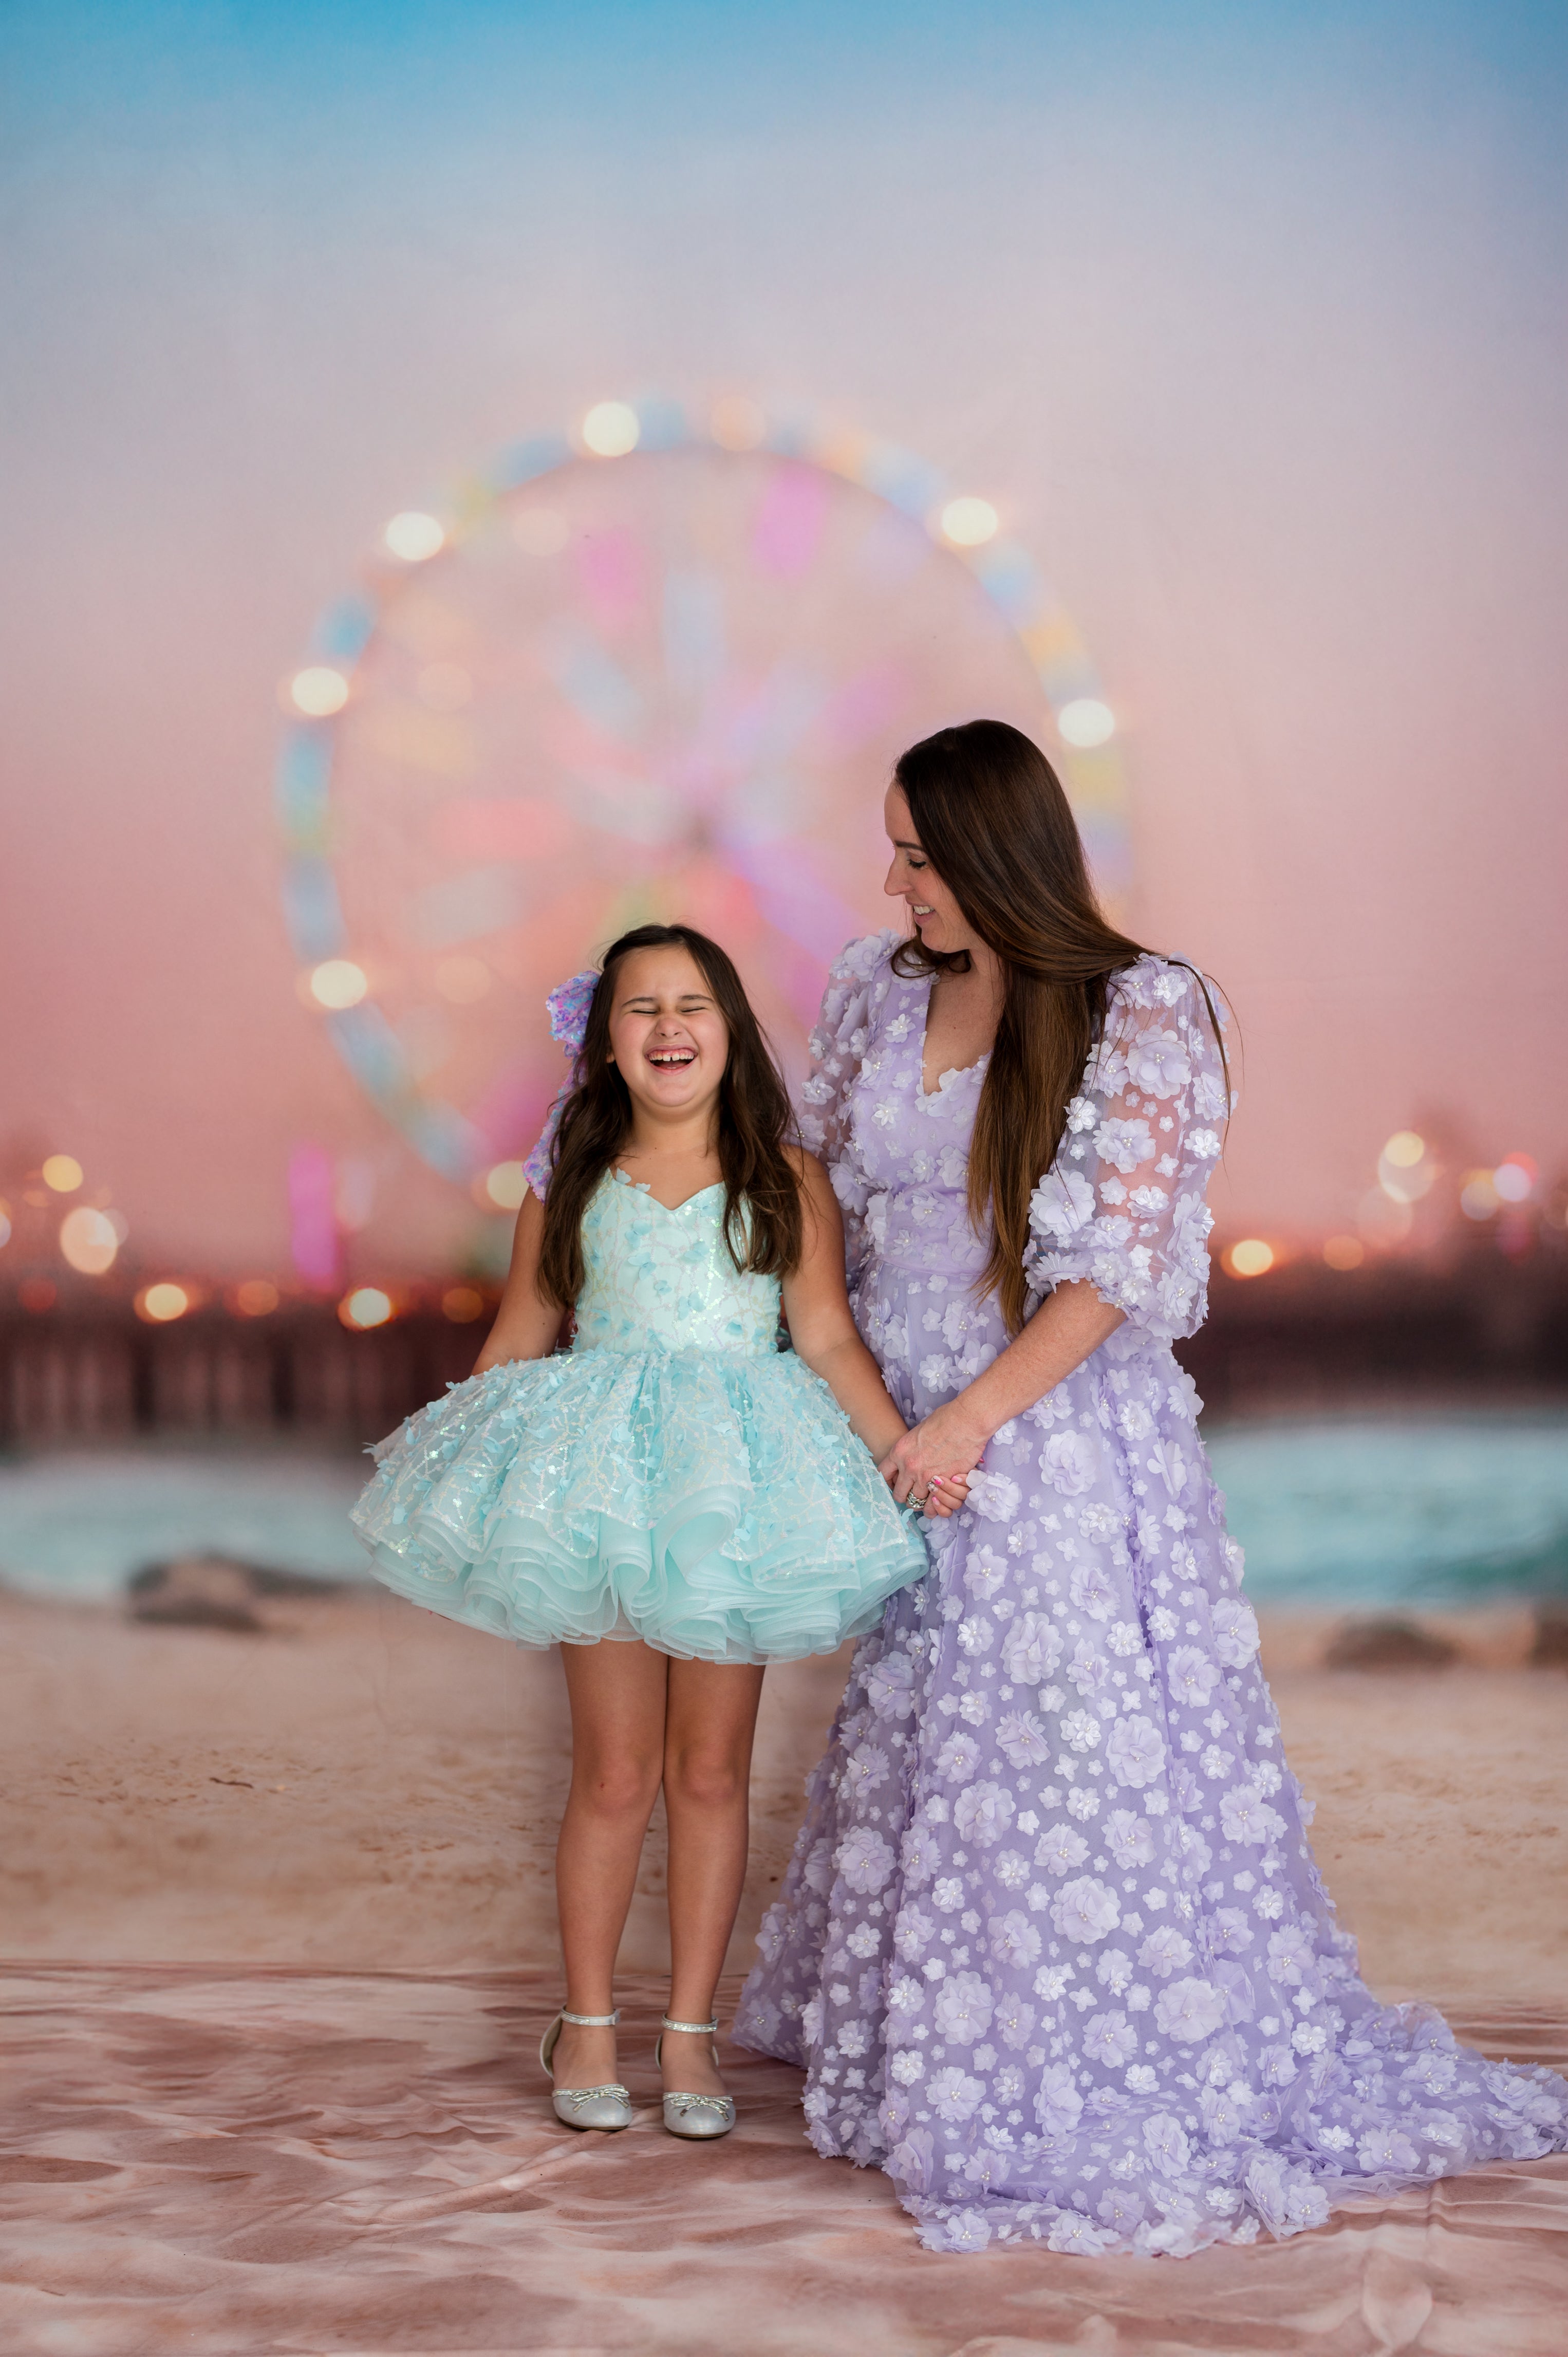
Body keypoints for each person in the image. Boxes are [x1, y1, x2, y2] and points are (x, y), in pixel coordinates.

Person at [735, 719, 1567, 2252]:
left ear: (995, 853)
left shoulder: (1140, 1009)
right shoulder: (870, 991)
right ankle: (919, 2039)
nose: (893, 879)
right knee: (920, 1730)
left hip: (1044, 1432)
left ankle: (1059, 2064)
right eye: (894, 851)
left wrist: (969, 1425)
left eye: (919, 855)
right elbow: (810, 1198)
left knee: (1047, 1748)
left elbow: (1116, 1266)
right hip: (889, 1415)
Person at [352, 923, 956, 2144]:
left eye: (691, 1005)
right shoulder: (565, 1179)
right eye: (640, 1009)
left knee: (706, 1772)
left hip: (737, 1488)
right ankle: (585, 2018)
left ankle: (688, 2029)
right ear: (605, 1039)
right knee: (617, 1770)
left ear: (729, 1029)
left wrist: (899, 1447)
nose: (667, 1027)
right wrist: (464, 1464)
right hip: (605, 1485)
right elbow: (523, 1330)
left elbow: (826, 1335)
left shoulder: (785, 1177)